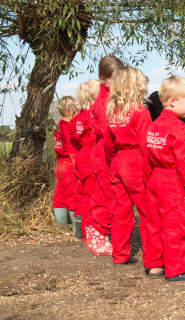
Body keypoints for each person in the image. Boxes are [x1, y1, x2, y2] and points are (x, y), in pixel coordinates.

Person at [144, 75, 185, 281]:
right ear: (173, 100)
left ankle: (155, 265)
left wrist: (147, 179)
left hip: (154, 178)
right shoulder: (180, 128)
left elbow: (147, 155)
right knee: (174, 224)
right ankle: (176, 269)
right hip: (171, 180)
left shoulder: (153, 126)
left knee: (154, 223)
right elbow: (183, 161)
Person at [104, 66, 152, 266]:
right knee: (147, 211)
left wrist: (113, 164)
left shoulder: (113, 113)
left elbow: (108, 144)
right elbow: (145, 145)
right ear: (137, 86)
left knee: (121, 212)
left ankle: (120, 255)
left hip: (118, 162)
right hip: (136, 162)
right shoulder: (141, 113)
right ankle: (153, 258)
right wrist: (150, 173)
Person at [89, 55, 124, 255]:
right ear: (103, 79)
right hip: (105, 153)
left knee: (106, 193)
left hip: (105, 151)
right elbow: (106, 131)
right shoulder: (105, 100)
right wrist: (114, 158)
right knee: (105, 195)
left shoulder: (109, 96)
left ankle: (100, 235)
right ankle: (98, 237)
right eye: (114, 79)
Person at [71, 79, 101, 247]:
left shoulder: (80, 115)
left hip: (82, 155)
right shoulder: (93, 114)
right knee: (94, 196)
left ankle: (83, 232)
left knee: (84, 194)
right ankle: (92, 234)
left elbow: (76, 135)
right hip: (92, 155)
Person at [52, 96, 80, 233]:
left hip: (60, 165)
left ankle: (61, 227)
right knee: (73, 195)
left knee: (60, 195)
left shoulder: (58, 127)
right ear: (72, 111)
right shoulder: (69, 128)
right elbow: (72, 150)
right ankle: (76, 229)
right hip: (69, 164)